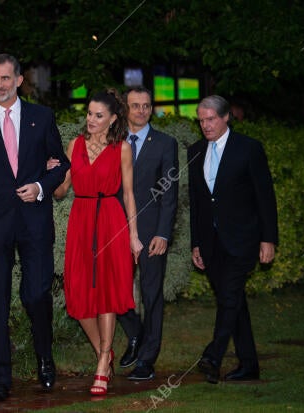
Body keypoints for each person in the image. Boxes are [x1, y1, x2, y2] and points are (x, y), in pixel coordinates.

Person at [0, 54, 70, 402]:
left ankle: (44, 357)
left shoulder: (42, 117)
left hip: (35, 220)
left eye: (6, 78)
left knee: (35, 294)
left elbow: (61, 164)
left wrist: (40, 187)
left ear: (19, 80)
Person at [52, 89, 144, 396]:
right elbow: (62, 190)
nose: (91, 120)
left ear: (113, 119)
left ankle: (103, 361)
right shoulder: (74, 145)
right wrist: (53, 177)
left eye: (98, 115)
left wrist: (133, 236)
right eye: (89, 114)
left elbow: (129, 194)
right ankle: (104, 351)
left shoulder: (122, 149)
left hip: (111, 221)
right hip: (81, 219)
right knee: (78, 297)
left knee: (107, 292)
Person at [188, 95, 278, 384]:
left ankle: (213, 355)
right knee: (234, 301)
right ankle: (249, 365)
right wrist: (196, 243)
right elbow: (197, 203)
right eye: (201, 120)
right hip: (211, 242)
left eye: (211, 119)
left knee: (228, 296)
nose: (205, 125)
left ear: (226, 117)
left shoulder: (249, 149)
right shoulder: (196, 151)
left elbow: (265, 197)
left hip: (243, 238)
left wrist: (268, 239)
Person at [116, 87, 178, 381]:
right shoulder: (112, 142)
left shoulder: (165, 144)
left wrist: (163, 233)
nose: (141, 110)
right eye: (135, 105)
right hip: (116, 231)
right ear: (125, 109)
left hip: (152, 232)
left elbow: (169, 193)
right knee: (113, 291)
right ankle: (136, 333)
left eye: (146, 106)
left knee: (152, 294)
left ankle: (147, 359)